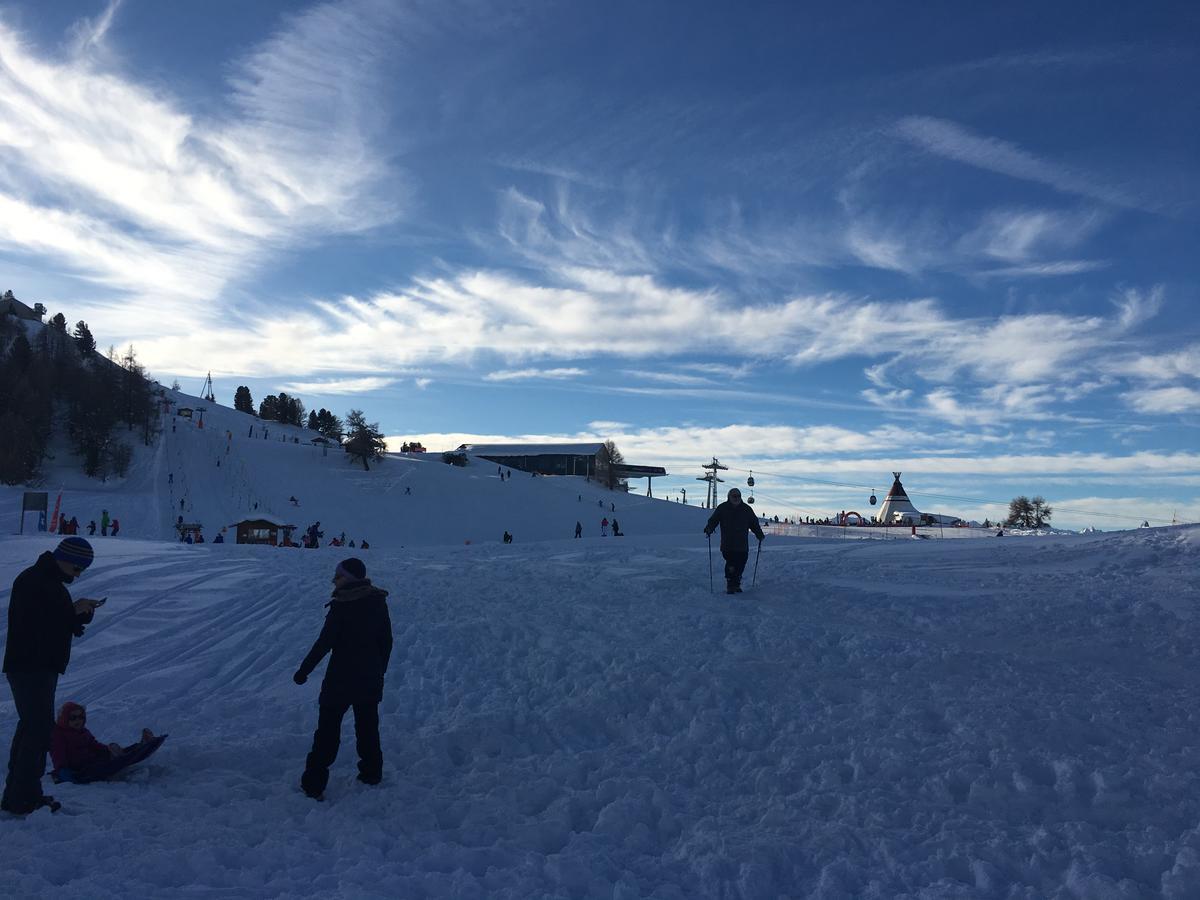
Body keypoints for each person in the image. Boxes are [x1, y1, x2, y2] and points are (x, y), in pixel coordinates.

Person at [2, 537, 101, 815]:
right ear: (66, 559)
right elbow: (36, 623)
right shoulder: (34, 580)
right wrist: (72, 610)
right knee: (38, 731)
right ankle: (23, 799)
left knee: (32, 728)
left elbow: (55, 622)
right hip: (30, 666)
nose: (78, 575)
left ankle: (18, 795)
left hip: (39, 666)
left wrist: (78, 615)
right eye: (78, 568)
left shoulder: (48, 582)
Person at [294, 558, 393, 800]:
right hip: (369, 678)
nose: (333, 579)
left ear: (348, 579)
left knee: (327, 732)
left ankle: (314, 783)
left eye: (338, 576)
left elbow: (324, 644)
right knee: (367, 727)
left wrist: (303, 670)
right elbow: (387, 641)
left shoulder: (342, 606)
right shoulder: (378, 602)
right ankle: (372, 772)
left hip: (340, 680)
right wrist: (379, 670)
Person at [49, 702, 157, 783]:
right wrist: (62, 769)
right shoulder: (59, 735)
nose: (78, 720)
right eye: (73, 718)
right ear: (64, 719)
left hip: (91, 759)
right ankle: (118, 758)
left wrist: (107, 750)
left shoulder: (83, 731)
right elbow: (57, 754)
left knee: (113, 754)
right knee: (101, 766)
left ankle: (140, 745)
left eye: (81, 717)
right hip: (78, 768)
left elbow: (94, 745)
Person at [704, 488, 765, 595]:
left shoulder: (746, 509)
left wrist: (759, 534)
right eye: (734, 496)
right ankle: (730, 584)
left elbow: (754, 523)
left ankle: (736, 583)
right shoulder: (723, 508)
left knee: (741, 563)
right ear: (729, 497)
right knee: (731, 563)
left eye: (738, 496)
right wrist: (709, 528)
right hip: (728, 543)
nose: (736, 498)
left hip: (742, 544)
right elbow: (714, 520)